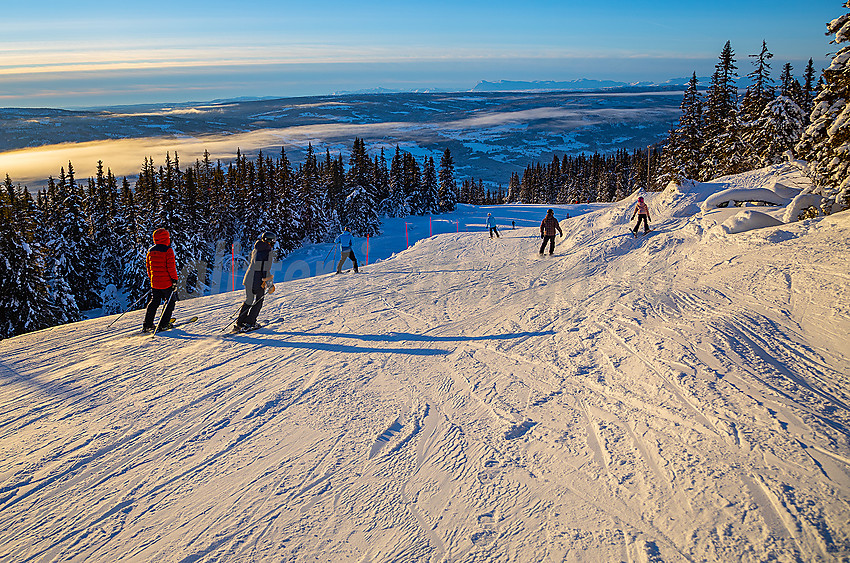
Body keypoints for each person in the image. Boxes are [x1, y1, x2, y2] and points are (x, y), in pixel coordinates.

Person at [235, 232, 276, 331]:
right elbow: (265, 269)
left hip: (248, 278)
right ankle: (250, 323)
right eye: (273, 240)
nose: (274, 242)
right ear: (269, 241)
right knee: (259, 300)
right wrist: (270, 285)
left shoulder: (257, 248)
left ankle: (240, 322)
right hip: (256, 280)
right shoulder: (267, 252)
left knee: (249, 300)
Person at [143, 228, 179, 333]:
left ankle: (147, 324)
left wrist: (152, 279)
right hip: (166, 282)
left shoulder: (151, 250)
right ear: (166, 238)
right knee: (170, 302)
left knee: (154, 302)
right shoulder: (168, 250)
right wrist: (174, 280)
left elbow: (148, 267)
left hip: (155, 282)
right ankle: (164, 324)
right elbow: (171, 267)